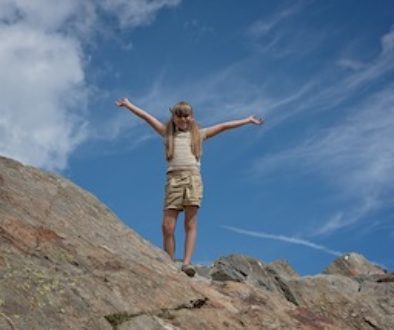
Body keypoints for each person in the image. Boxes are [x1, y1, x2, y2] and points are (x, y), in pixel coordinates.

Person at [115, 98, 263, 277]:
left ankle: (186, 263)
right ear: (174, 117)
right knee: (167, 226)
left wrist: (246, 120)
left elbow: (224, 126)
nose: (183, 119)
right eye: (179, 116)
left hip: (193, 179)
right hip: (173, 181)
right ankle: (170, 261)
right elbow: (147, 117)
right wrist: (129, 105)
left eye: (186, 116)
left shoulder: (199, 135)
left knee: (189, 223)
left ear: (191, 117)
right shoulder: (167, 133)